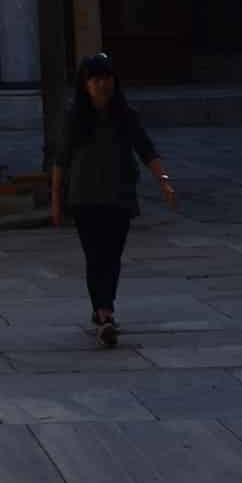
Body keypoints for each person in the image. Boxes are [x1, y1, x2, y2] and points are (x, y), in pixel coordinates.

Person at [48, 50, 176, 346]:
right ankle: (104, 312)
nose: (102, 85)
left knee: (112, 256)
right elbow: (60, 161)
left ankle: (104, 306)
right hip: (84, 196)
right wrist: (56, 201)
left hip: (119, 194)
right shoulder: (75, 119)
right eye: (95, 80)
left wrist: (164, 182)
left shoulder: (125, 116)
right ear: (85, 85)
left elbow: (146, 150)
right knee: (95, 256)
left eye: (106, 79)